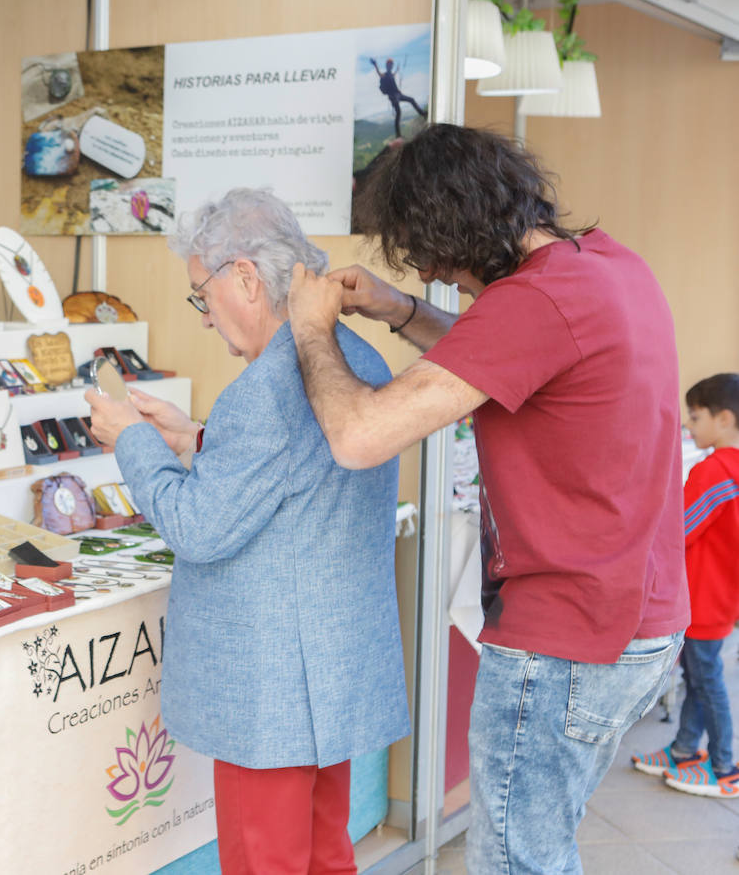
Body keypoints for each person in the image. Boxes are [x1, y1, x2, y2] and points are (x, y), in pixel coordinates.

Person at [286, 123, 688, 874]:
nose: (439, 276)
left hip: (567, 637)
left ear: (452, 234)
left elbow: (358, 436)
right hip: (640, 619)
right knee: (543, 848)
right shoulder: (604, 265)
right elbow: (505, 354)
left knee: (517, 862)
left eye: (434, 260)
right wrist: (401, 309)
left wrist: (313, 332)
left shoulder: (531, 305)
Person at [85, 187, 408, 874]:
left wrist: (132, 441)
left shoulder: (264, 390)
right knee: (326, 856)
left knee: (269, 864)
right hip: (327, 677)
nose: (205, 319)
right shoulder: (357, 357)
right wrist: (197, 437)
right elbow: (297, 478)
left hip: (275, 691)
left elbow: (196, 526)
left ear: (246, 278)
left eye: (201, 296)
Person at [632, 373, 739, 797]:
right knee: (698, 677)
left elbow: (678, 529)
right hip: (719, 597)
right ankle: (683, 750)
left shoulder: (716, 470)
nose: (689, 428)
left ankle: (725, 766)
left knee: (706, 681)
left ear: (725, 418)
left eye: (695, 418)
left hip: (703, 599)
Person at [368, 57, 425, 138]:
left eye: (391, 65)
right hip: (393, 96)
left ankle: (422, 113)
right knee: (398, 112)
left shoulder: (391, 74)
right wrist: (375, 64)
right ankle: (398, 135)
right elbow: (378, 72)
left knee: (411, 100)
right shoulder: (384, 75)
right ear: (387, 66)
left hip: (398, 94)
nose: (391, 66)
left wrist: (397, 70)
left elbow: (394, 74)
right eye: (389, 64)